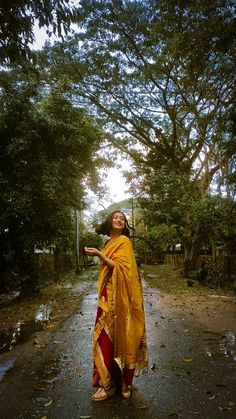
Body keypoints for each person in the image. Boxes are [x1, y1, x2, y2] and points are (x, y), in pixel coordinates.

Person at [84, 210, 148, 402]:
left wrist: (100, 255)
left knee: (125, 336)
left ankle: (124, 383)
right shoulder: (107, 243)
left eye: (123, 218)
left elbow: (122, 268)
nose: (119, 220)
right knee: (105, 338)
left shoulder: (124, 242)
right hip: (106, 296)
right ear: (110, 222)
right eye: (116, 217)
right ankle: (107, 383)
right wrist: (101, 252)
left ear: (124, 224)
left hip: (122, 298)